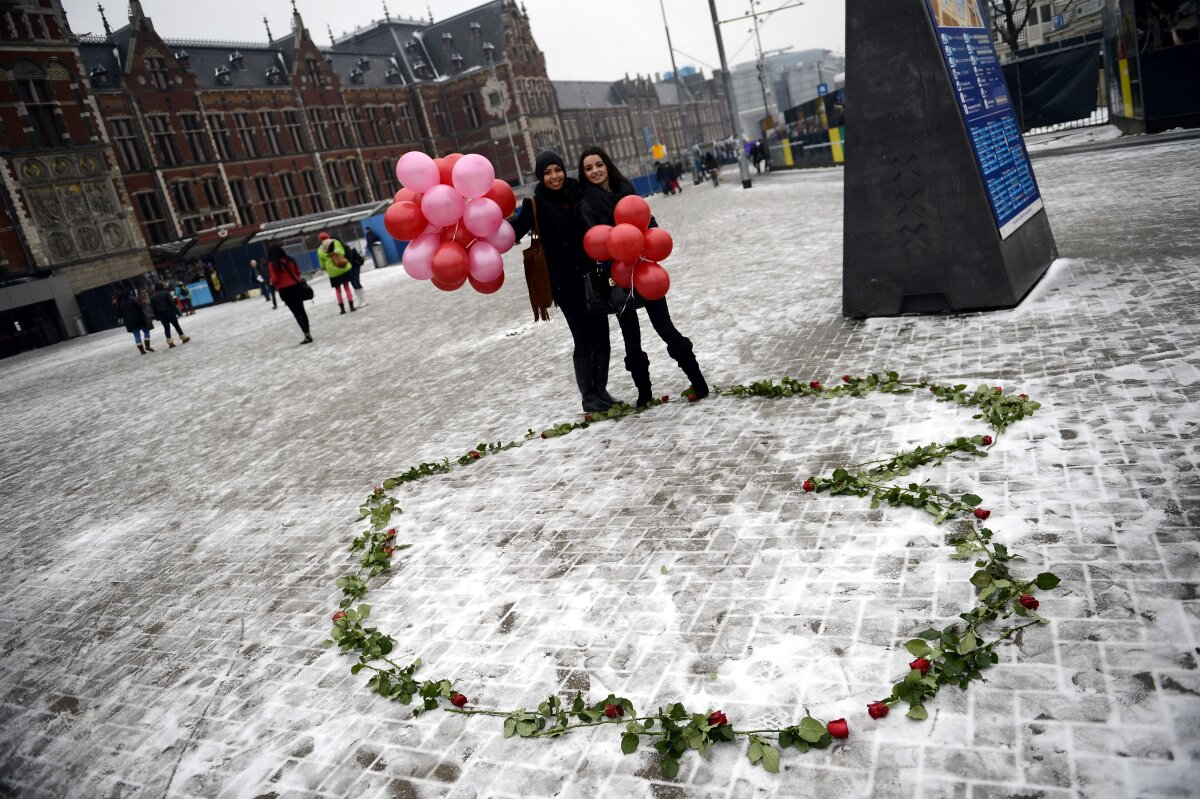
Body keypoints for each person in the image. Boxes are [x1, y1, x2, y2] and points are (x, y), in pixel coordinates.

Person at [578, 145, 709, 408]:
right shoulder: (587, 203)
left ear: (607, 165)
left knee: (665, 327)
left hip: (645, 271)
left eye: (599, 164)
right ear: (583, 173)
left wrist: (649, 234)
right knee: (631, 338)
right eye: (588, 168)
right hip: (618, 278)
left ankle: (698, 382)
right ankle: (644, 393)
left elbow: (647, 221)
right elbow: (597, 242)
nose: (595, 171)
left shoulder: (625, 191)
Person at [509, 150, 621, 413]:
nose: (554, 176)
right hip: (566, 286)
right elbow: (513, 232)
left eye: (557, 170)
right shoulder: (534, 206)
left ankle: (601, 389)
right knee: (583, 339)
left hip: (594, 278)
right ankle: (588, 396)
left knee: (602, 336)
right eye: (547, 173)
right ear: (540, 176)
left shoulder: (578, 193)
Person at [268, 245, 314, 344]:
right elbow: (298, 272)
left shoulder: (272, 264)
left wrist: (272, 282)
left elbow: (275, 279)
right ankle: (308, 332)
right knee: (301, 310)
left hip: (285, 290)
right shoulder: (290, 260)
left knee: (296, 312)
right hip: (296, 287)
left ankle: (307, 334)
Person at [315, 232, 356, 313]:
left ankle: (342, 309)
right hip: (343, 268)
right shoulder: (335, 242)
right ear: (328, 236)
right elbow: (342, 252)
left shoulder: (319, 250)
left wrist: (327, 268)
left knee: (338, 290)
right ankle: (351, 306)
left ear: (319, 240)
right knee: (347, 287)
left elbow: (322, 265)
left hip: (333, 272)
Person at [115, 289, 154, 354]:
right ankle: (147, 346)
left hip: (129, 322)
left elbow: (120, 314)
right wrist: (145, 316)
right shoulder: (133, 299)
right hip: (139, 319)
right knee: (146, 331)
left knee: (136, 335)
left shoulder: (120, 304)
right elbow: (140, 308)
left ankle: (141, 350)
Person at [151, 281, 190, 347]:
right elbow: (172, 303)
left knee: (166, 328)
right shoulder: (166, 293)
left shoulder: (153, 297)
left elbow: (153, 308)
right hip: (170, 312)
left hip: (161, 315)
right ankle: (184, 338)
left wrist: (156, 316)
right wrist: (178, 312)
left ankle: (170, 343)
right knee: (176, 326)